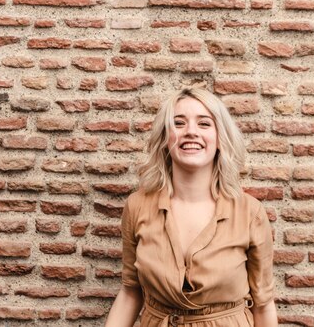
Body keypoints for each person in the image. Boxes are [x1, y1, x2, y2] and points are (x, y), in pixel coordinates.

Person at [105, 86, 278, 327]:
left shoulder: (249, 213)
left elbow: (263, 304)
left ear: (220, 138)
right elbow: (130, 292)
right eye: (179, 123)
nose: (191, 132)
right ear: (165, 138)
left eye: (204, 124)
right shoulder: (137, 206)